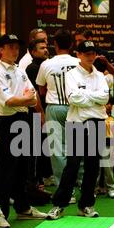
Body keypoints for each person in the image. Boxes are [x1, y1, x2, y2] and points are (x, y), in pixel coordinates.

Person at [47, 40, 109, 220]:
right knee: (72, 164)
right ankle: (59, 204)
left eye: (93, 53)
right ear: (78, 55)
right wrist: (94, 99)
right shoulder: (71, 75)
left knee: (92, 166)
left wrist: (87, 98)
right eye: (86, 53)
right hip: (76, 122)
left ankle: (86, 205)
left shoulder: (100, 76)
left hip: (97, 122)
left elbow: (105, 98)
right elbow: (73, 98)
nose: (90, 56)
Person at [0, 33, 47, 221]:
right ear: (1, 50)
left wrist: (27, 100)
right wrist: (26, 99)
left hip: (23, 120)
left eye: (16, 47)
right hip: (8, 123)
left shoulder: (19, 71)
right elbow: (9, 101)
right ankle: (1, 213)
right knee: (7, 169)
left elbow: (33, 95)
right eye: (10, 47)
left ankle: (23, 208)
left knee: (23, 167)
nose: (14, 50)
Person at [36, 29, 79, 189]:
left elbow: (41, 90)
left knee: (58, 150)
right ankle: (80, 184)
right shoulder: (78, 63)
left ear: (54, 44)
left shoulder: (46, 64)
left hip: (54, 107)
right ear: (72, 45)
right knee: (77, 147)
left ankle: (65, 189)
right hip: (75, 107)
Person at [25, 38, 53, 195]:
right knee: (36, 150)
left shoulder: (45, 66)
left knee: (44, 148)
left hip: (43, 112)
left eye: (46, 47)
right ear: (33, 52)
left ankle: (41, 181)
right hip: (36, 113)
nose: (46, 50)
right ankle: (36, 184)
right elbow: (36, 93)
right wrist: (40, 113)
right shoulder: (32, 68)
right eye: (41, 48)